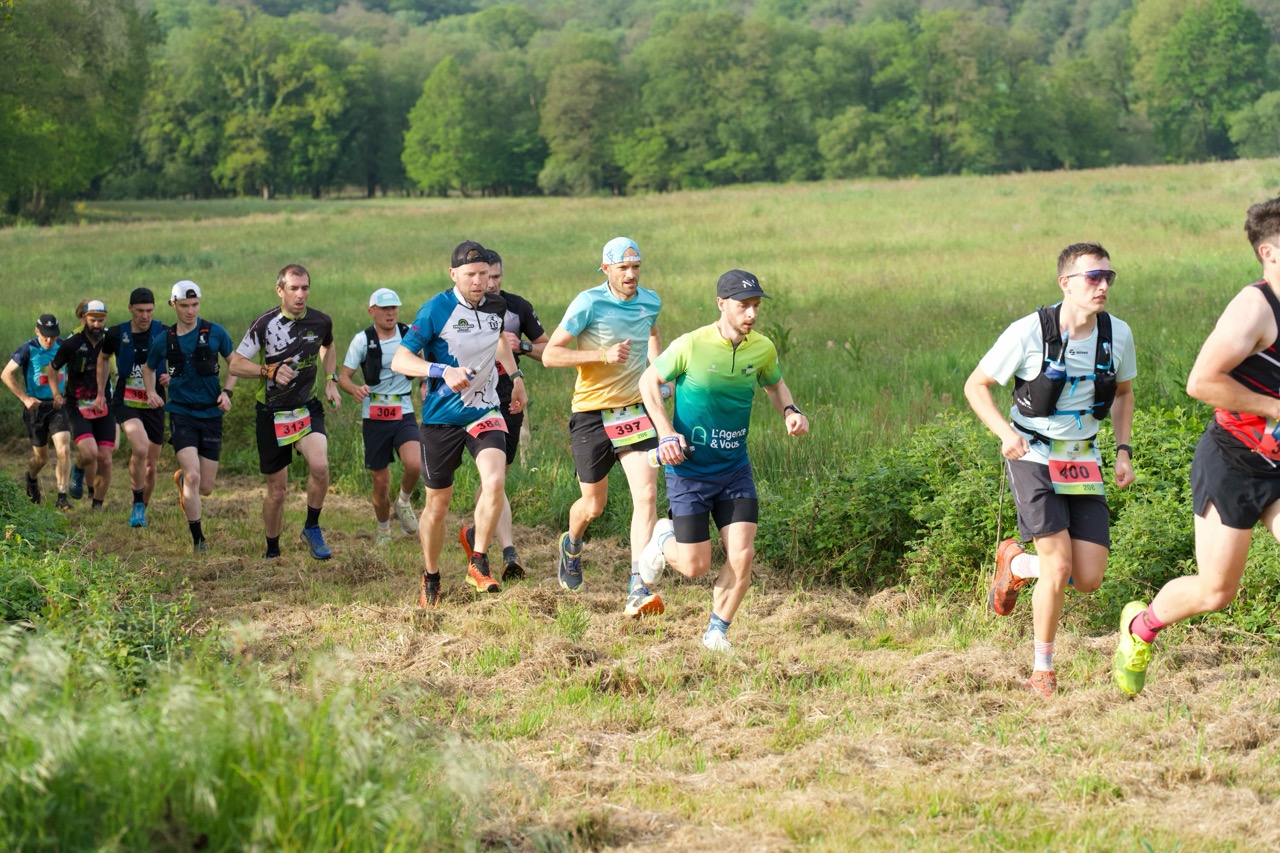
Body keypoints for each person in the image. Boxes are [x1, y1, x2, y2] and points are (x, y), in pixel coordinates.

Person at [1113, 198, 1280, 695]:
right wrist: (1275, 407)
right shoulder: (1255, 308)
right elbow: (1201, 382)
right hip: (1234, 462)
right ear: (1269, 252)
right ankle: (1140, 627)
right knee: (1215, 592)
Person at [964, 242, 1136, 697]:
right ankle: (1042, 670)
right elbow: (976, 385)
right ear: (1066, 283)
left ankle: (1017, 562)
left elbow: (1123, 394)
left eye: (1108, 277)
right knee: (1058, 566)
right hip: (1034, 456)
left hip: (1083, 459)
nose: (1102, 285)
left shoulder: (1117, 334)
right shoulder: (1029, 332)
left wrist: (1123, 450)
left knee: (1089, 577)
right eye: (1092, 277)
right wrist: (1005, 433)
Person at [637, 270, 809, 652]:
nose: (751, 314)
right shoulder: (691, 345)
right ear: (721, 304)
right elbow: (648, 382)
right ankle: (663, 538)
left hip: (734, 468)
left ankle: (716, 633)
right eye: (743, 306)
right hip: (690, 469)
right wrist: (666, 432)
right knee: (694, 565)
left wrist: (790, 411)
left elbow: (775, 385)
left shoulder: (762, 348)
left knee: (743, 555)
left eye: (756, 306)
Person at [390, 240, 527, 607]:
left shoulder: (496, 305)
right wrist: (442, 370)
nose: (479, 282)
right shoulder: (436, 309)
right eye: (470, 275)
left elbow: (498, 340)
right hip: (442, 418)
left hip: (485, 410)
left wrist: (515, 376)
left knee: (495, 481)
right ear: (453, 274)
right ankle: (431, 575)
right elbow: (400, 360)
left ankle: (478, 561)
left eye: (484, 274)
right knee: (438, 505)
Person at [542, 237, 665, 617]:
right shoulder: (588, 303)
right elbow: (550, 355)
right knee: (594, 505)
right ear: (606, 269)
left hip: (633, 411)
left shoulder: (650, 301)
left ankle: (638, 586)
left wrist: (658, 371)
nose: (631, 274)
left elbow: (652, 332)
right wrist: (601, 355)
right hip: (591, 413)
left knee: (646, 494)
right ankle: (572, 544)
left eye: (636, 267)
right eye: (623, 268)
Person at [227, 264, 341, 560]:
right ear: (280, 291)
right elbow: (236, 364)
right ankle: (273, 549)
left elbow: (328, 347)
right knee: (277, 491)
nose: (300, 295)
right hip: (272, 412)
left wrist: (331, 380)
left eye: (305, 288)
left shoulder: (320, 321)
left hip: (306, 407)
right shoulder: (264, 324)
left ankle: (312, 527)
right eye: (293, 289)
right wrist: (268, 370)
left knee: (320, 466)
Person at [455, 248, 550, 580]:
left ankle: (475, 535)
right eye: (484, 276)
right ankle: (508, 552)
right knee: (492, 478)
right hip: (472, 396)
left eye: (495, 277)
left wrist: (522, 346)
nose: (490, 283)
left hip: (508, 394)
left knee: (497, 478)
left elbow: (549, 349)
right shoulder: (458, 307)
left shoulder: (517, 307)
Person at [142, 281, 238, 554]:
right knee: (194, 476)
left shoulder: (216, 332)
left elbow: (235, 363)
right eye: (184, 305)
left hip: (211, 413)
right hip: (181, 413)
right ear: (173, 305)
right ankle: (199, 541)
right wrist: (151, 392)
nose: (190, 311)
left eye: (195, 305)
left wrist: (227, 392)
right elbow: (148, 369)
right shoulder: (164, 340)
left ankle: (182, 481)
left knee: (205, 487)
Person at [338, 288, 423, 546]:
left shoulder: (409, 334)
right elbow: (344, 377)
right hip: (374, 416)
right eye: (385, 309)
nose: (390, 313)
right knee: (381, 484)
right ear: (372, 311)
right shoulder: (362, 340)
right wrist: (354, 389)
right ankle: (384, 532)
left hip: (403, 411)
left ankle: (404, 502)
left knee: (415, 464)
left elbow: (423, 364)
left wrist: (424, 384)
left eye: (394, 308)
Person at [98, 287, 166, 527]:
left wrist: (172, 375)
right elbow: (103, 358)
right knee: (140, 447)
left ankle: (141, 510)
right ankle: (137, 502)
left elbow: (181, 360)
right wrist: (100, 392)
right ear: (130, 309)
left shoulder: (164, 332)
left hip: (155, 403)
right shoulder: (116, 334)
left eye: (149, 311)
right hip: (126, 402)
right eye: (139, 311)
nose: (144, 316)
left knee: (151, 466)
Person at [47, 300, 116, 510]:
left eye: (101, 320)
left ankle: (97, 505)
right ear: (85, 318)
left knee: (105, 459)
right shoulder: (72, 343)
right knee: (89, 453)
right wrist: (56, 394)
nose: (96, 325)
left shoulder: (110, 340)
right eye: (93, 320)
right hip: (77, 405)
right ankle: (78, 469)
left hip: (104, 404)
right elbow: (52, 369)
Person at [3, 314, 72, 509]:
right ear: (36, 331)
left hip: (57, 406)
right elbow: (6, 374)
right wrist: (25, 398)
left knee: (64, 448)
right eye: (45, 336)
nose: (49, 340)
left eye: (53, 336)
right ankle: (31, 478)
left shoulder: (63, 346)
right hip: (35, 408)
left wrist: (65, 391)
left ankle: (62, 497)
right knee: (42, 458)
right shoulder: (28, 348)